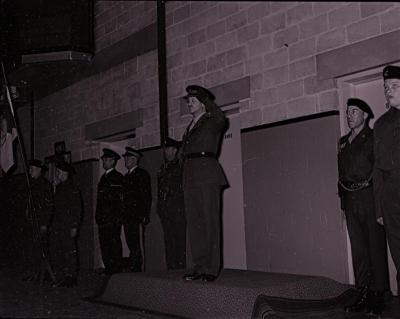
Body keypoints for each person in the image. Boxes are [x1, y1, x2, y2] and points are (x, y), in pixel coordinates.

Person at [338, 98, 390, 315]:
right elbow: (340, 175)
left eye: (354, 111)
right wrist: (343, 204)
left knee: (375, 248)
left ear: (366, 115)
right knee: (359, 250)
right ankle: (363, 293)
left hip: (370, 198)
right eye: (348, 111)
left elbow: (379, 174)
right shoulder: (342, 142)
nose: (350, 115)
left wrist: (380, 207)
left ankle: (379, 294)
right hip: (351, 201)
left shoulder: (373, 138)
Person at [181, 85, 228, 282]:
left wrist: (207, 99)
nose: (189, 104)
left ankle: (211, 268)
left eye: (193, 101)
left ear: (202, 103)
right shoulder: (190, 126)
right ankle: (198, 266)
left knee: (209, 221)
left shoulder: (211, 121)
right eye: (188, 101)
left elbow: (222, 119)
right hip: (190, 173)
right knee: (195, 223)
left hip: (206, 172)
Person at [374, 64, 400, 303]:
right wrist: (379, 209)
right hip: (392, 202)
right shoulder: (380, 125)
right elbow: (378, 170)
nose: (388, 91)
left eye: (394, 86)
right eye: (385, 88)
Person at [50, 161, 82, 287]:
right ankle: (63, 276)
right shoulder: (60, 187)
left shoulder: (72, 188)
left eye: (59, 171)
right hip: (58, 225)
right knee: (59, 251)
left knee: (69, 252)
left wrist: (74, 226)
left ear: (65, 173)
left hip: (67, 225)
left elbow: (77, 208)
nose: (57, 174)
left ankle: (71, 277)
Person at [22, 159, 54, 281]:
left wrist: (44, 223)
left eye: (32, 170)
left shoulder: (45, 185)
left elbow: (48, 206)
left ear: (39, 170)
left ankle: (42, 274)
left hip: (40, 222)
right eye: (30, 169)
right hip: (31, 222)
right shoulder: (31, 185)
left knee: (41, 249)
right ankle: (33, 273)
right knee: (31, 249)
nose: (30, 172)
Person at [157, 137, 186, 270]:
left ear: (175, 150)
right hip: (166, 211)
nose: (166, 152)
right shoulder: (163, 168)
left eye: (168, 149)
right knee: (169, 241)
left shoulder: (180, 166)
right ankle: (171, 269)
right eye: (165, 149)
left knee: (179, 241)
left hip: (177, 210)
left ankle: (179, 270)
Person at [122, 147, 152, 272]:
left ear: (134, 160)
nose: (125, 160)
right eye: (125, 158)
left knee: (137, 244)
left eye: (128, 158)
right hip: (128, 216)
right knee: (131, 243)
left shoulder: (141, 174)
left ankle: (140, 269)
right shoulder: (127, 176)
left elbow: (146, 196)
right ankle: (134, 268)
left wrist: (144, 214)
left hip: (137, 216)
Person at [96, 148, 124, 275]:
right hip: (103, 219)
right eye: (103, 159)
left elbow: (118, 201)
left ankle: (115, 269)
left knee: (113, 244)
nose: (104, 162)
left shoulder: (117, 178)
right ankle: (109, 268)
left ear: (113, 161)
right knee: (105, 244)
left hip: (112, 219)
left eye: (106, 160)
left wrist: (116, 217)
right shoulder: (103, 178)